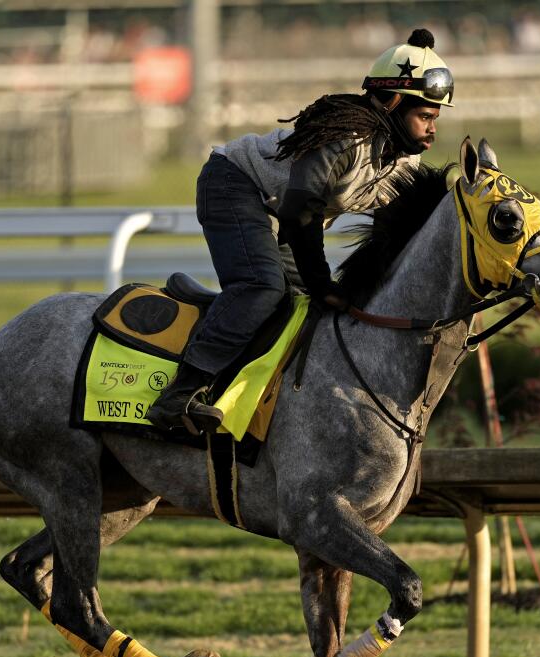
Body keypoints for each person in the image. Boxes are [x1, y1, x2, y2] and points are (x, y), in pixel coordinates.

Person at [145, 28, 453, 434]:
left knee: (303, 307)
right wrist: (324, 282)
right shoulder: (346, 139)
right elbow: (299, 214)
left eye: (435, 118)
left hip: (283, 215)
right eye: (425, 116)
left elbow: (392, 242)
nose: (433, 129)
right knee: (263, 288)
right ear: (393, 102)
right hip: (234, 185)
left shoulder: (401, 164)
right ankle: (180, 394)